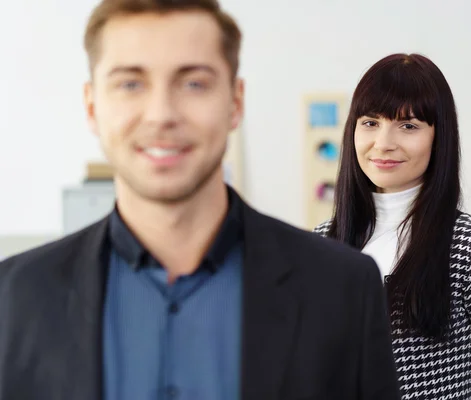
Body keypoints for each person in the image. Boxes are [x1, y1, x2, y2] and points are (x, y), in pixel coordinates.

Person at [0, 1, 400, 399]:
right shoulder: (14, 298)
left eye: (193, 83)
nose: (161, 115)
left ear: (235, 101)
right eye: (130, 83)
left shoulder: (343, 289)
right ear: (91, 105)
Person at [314, 53, 471, 399]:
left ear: (439, 138)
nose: (384, 143)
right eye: (371, 122)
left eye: (408, 125)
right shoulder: (321, 245)